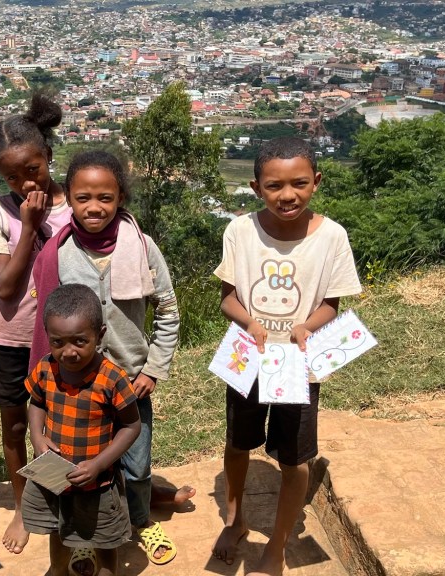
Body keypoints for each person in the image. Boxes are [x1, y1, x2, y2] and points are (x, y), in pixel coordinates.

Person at [211, 137, 361, 576]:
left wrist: (306, 328)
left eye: (299, 183)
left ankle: (277, 544)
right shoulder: (240, 231)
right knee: (238, 441)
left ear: (316, 182)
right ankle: (235, 521)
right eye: (274, 186)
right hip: (247, 356)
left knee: (295, 457)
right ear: (256, 187)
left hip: (299, 362)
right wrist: (248, 322)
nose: (287, 195)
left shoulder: (332, 237)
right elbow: (228, 299)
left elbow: (331, 304)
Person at [30, 150, 183, 569]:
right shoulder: (58, 254)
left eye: (105, 197)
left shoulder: (143, 248)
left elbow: (168, 311)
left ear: (120, 198)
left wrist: (153, 368)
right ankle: (85, 534)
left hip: (131, 382)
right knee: (77, 466)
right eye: (83, 198)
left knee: (136, 467)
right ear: (69, 198)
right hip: (75, 387)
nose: (94, 207)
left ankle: (140, 520)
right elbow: (48, 317)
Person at [0, 92, 73, 554]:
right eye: (11, 175)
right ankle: (23, 505)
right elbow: (6, 287)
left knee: (66, 421)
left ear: (48, 154)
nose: (25, 181)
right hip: (10, 337)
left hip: (65, 339)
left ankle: (66, 496)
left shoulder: (78, 202)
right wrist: (28, 226)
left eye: (32, 168)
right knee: (14, 426)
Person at [23, 283, 141, 576]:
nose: (68, 352)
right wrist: (37, 437)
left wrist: (99, 464)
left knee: (104, 538)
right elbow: (36, 403)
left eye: (79, 341)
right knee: (57, 528)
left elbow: (131, 425)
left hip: (96, 484)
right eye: (58, 342)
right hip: (53, 476)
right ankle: (58, 570)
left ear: (100, 335)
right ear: (47, 336)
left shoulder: (112, 379)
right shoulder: (46, 368)